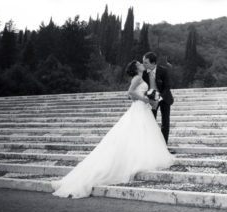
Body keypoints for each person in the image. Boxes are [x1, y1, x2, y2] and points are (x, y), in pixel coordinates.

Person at [52, 61, 175, 199]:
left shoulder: (141, 77)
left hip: (141, 108)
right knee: (139, 131)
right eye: (139, 63)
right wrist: (145, 99)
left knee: (142, 133)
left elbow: (133, 94)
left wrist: (147, 96)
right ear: (136, 68)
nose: (141, 64)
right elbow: (129, 93)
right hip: (140, 108)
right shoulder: (137, 78)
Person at [142, 51, 174, 144]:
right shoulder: (143, 73)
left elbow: (167, 86)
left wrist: (159, 98)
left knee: (165, 122)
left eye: (146, 62)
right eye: (143, 62)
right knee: (151, 122)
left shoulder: (163, 71)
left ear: (153, 63)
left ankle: (164, 145)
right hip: (151, 100)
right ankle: (152, 144)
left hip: (164, 98)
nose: (143, 64)